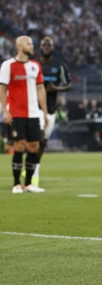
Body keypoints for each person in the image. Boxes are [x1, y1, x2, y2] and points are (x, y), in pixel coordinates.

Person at [0, 36, 48, 193]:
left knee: (34, 146)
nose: (32, 46)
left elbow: (41, 89)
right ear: (19, 46)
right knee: (19, 145)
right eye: (29, 44)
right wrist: (5, 111)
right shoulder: (8, 65)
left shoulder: (35, 66)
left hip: (34, 113)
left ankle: (28, 183)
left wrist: (45, 112)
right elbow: (2, 89)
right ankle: (16, 184)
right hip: (16, 112)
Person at [35, 36, 72, 187]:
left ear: (53, 48)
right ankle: (34, 171)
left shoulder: (60, 67)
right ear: (40, 48)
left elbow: (68, 85)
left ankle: (33, 164)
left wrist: (57, 88)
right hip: (34, 108)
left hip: (50, 110)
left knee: (43, 142)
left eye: (48, 45)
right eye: (43, 44)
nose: (46, 47)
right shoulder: (34, 66)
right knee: (37, 138)